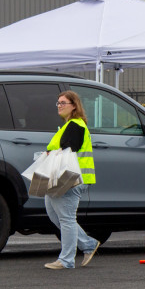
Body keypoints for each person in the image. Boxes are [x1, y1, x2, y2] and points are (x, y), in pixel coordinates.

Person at [43, 90, 99, 269]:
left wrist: (51, 152)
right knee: (56, 214)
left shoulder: (76, 125)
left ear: (74, 106)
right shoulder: (68, 125)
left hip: (71, 179)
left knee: (66, 218)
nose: (59, 106)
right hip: (64, 178)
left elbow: (69, 149)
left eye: (63, 103)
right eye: (58, 103)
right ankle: (88, 244)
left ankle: (66, 260)